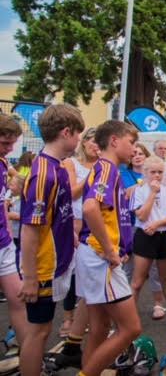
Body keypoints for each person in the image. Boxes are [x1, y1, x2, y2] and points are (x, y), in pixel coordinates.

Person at [18, 105, 84, 376]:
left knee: (43, 329)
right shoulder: (44, 173)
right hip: (44, 267)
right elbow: (30, 230)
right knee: (39, 331)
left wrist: (71, 235)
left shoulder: (55, 168)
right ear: (65, 132)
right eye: (78, 133)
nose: (79, 140)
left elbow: (57, 214)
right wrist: (31, 278)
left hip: (56, 261)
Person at [76, 120, 142, 376]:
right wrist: (110, 249)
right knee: (131, 328)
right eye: (131, 143)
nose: (134, 149)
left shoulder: (105, 169)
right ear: (114, 141)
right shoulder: (107, 169)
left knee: (100, 326)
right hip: (99, 257)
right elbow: (91, 208)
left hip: (92, 254)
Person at [59, 127, 99, 338]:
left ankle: (89, 319)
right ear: (83, 142)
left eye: (98, 142)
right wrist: (93, 175)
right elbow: (73, 192)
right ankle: (68, 318)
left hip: (96, 225)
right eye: (92, 141)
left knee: (91, 276)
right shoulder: (70, 163)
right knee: (72, 274)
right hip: (75, 223)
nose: (95, 145)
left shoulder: (106, 166)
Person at [130, 155, 166, 320]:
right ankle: (128, 319)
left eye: (160, 172)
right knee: (137, 282)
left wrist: (158, 223)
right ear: (145, 172)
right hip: (145, 237)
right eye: (153, 172)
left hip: (165, 236)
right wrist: (152, 193)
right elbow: (142, 216)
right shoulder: (139, 190)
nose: (157, 175)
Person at [0, 116, 27, 360]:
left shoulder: (3, 162)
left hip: (4, 244)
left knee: (18, 298)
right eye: (4, 143)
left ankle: (30, 356)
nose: (9, 148)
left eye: (12, 143)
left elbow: (16, 184)